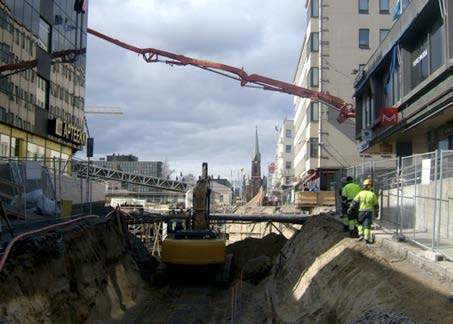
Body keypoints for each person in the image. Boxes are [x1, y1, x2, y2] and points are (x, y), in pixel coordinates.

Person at [348, 178, 379, 244]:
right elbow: (376, 205)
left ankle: (361, 234)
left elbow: (354, 202)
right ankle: (366, 239)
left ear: (364, 186)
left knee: (359, 223)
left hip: (361, 211)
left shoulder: (360, 194)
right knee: (367, 225)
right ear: (370, 186)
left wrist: (350, 208)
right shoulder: (372, 194)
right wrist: (376, 212)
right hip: (369, 212)